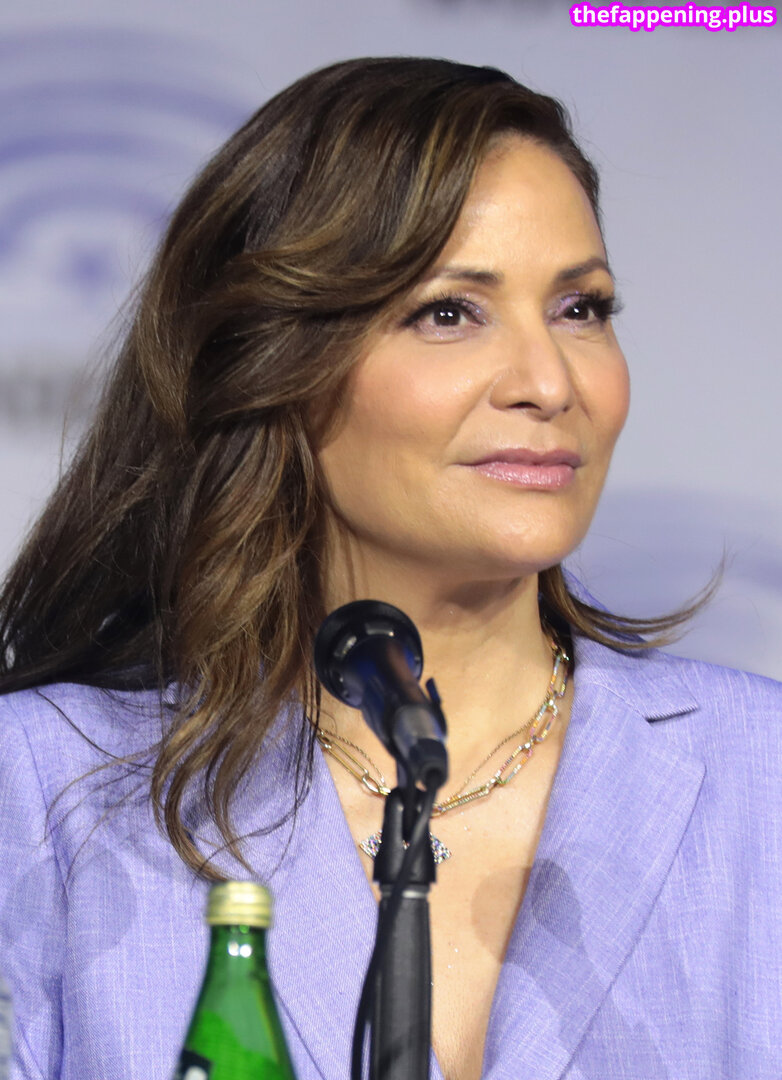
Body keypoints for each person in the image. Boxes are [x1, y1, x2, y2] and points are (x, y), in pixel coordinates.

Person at [0, 55, 780, 1080]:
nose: (548, 382)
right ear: (276, 358)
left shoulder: (759, 773)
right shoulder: (43, 788)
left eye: (580, 308)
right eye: (449, 312)